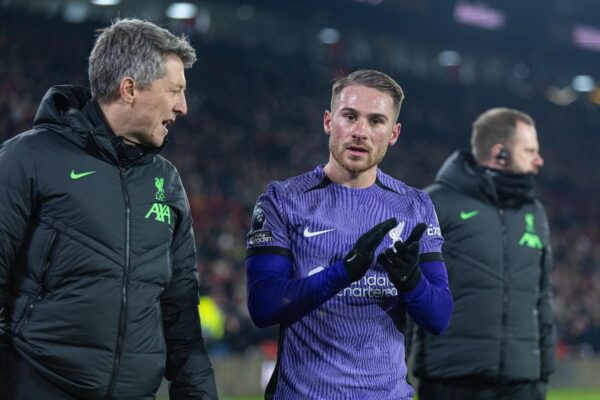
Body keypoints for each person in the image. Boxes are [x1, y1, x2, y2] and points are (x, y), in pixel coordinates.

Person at [0, 19, 218, 399]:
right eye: (175, 91)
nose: (183, 107)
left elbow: (181, 313)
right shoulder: (28, 159)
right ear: (130, 89)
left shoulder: (167, 182)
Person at [245, 69, 453, 399]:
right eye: (350, 116)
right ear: (329, 121)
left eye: (376, 121)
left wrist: (410, 279)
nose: (360, 132)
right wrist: (343, 272)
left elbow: (439, 317)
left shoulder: (416, 206)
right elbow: (263, 306)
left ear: (394, 133)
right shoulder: (283, 200)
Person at [411, 108, 556, 400]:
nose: (539, 160)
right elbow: (406, 294)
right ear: (499, 154)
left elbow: (542, 299)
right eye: (529, 151)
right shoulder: (434, 204)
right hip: (451, 382)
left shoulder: (534, 211)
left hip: (522, 385)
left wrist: (543, 376)